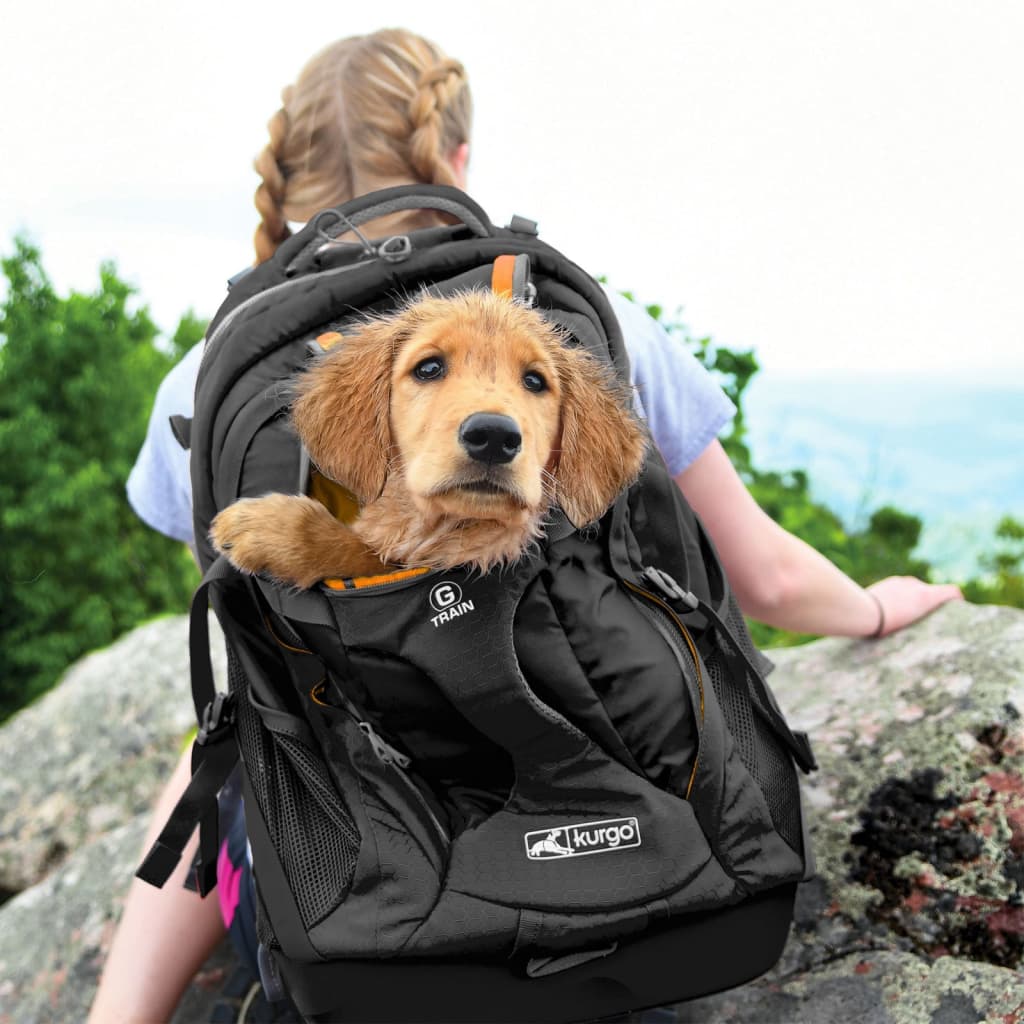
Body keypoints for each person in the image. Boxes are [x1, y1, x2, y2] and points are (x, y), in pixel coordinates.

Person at [89, 28, 962, 1024]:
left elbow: (248, 686)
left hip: (368, 923)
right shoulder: (589, 323)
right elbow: (760, 577)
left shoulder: (202, 379)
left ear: (284, 182)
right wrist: (875, 608)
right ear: (456, 159)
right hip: (641, 888)